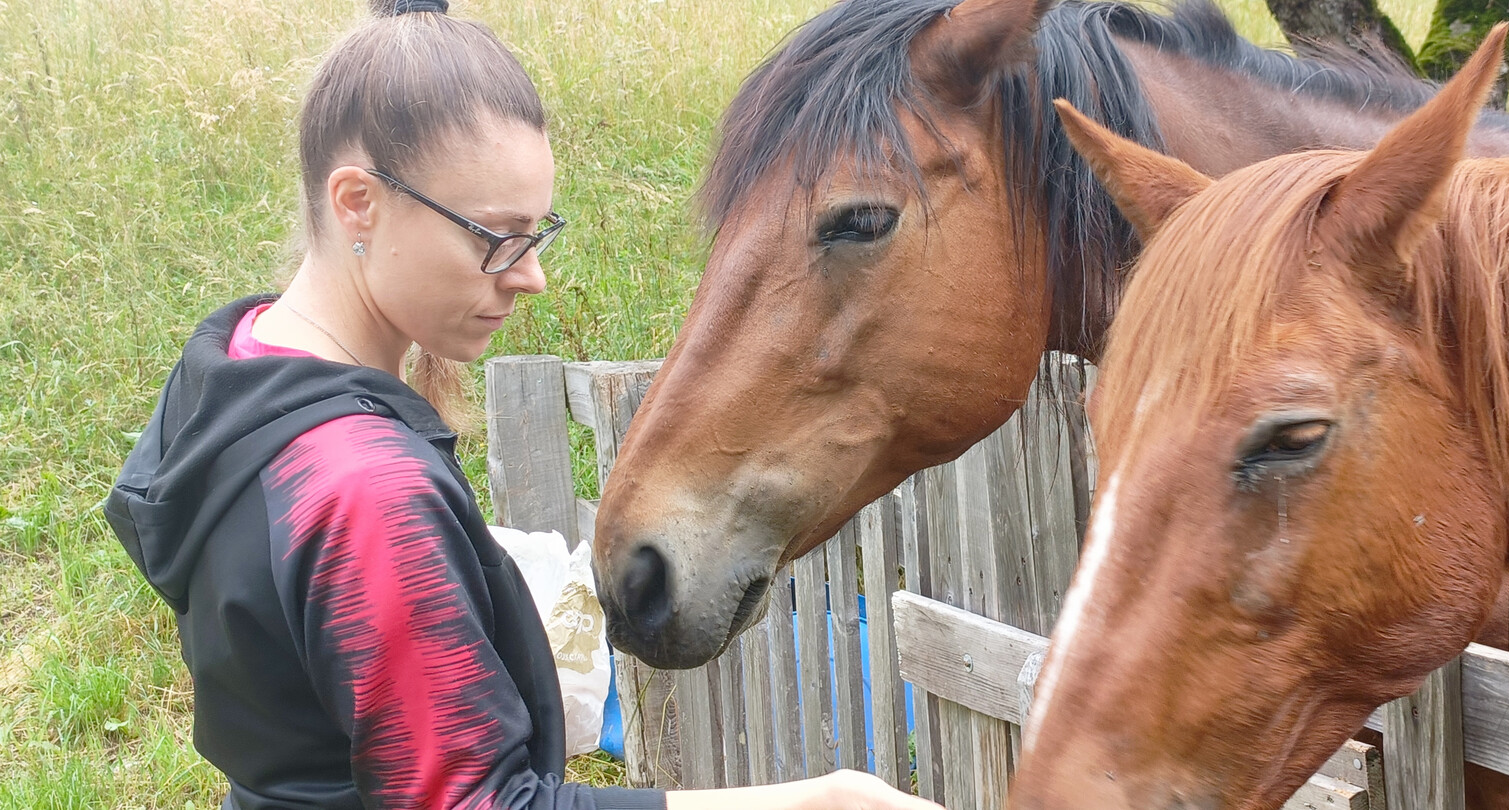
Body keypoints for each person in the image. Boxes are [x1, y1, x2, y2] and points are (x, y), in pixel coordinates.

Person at [103, 1, 947, 808]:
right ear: (358, 202)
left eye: (538, 233)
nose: (530, 275)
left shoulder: (241, 361)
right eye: (495, 236)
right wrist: (816, 801)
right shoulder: (366, 488)